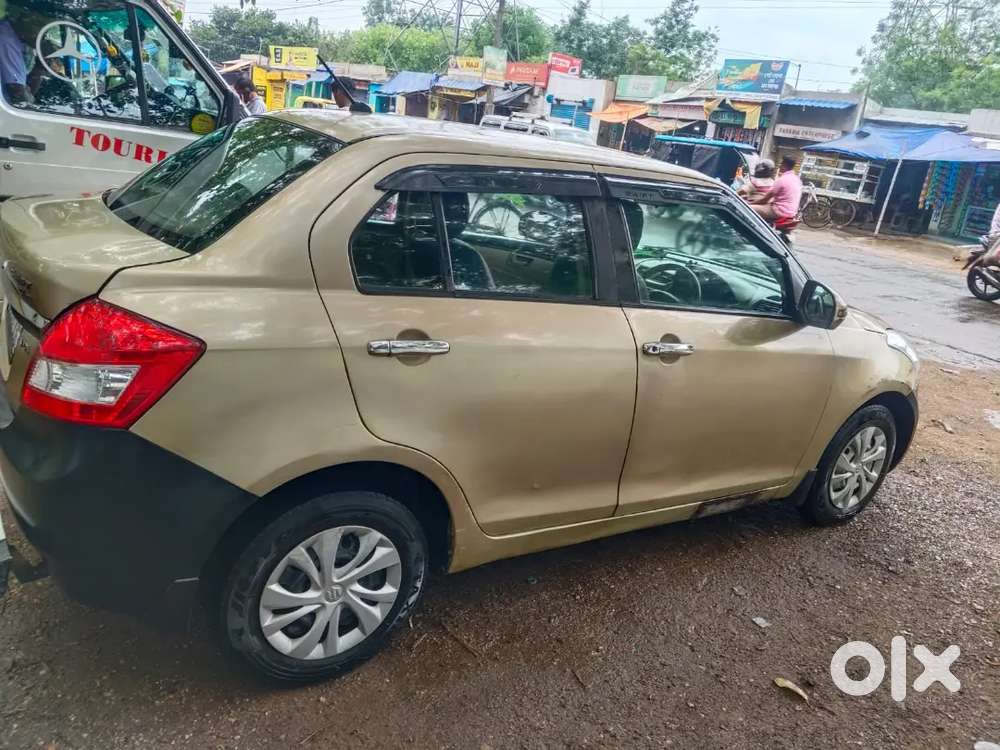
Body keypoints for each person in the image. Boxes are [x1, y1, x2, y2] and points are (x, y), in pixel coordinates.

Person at [750, 156, 802, 222]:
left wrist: (749, 204)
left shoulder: (782, 180)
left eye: (781, 164)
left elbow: (765, 200)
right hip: (792, 212)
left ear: (784, 166)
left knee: (749, 209)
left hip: (779, 211)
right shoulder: (797, 179)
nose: (779, 166)